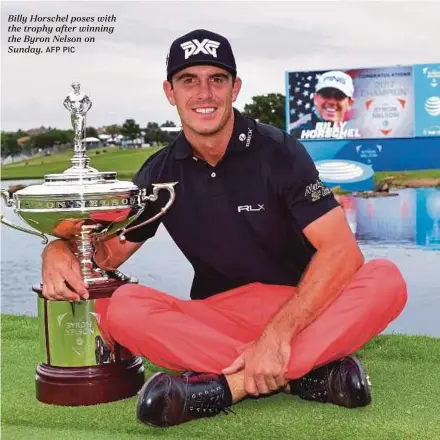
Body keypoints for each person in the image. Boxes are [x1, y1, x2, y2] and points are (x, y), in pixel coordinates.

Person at [41, 29, 407, 428]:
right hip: (220, 315)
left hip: (302, 308)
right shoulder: (161, 172)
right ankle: (306, 375)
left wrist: (276, 337)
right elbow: (106, 255)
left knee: (386, 279)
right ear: (170, 91)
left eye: (217, 79)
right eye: (188, 80)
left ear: (235, 88)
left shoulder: (280, 152)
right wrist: (57, 248)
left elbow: (342, 253)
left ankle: (226, 387)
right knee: (122, 307)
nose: (204, 93)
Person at [289, 70, 355, 137]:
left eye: (339, 96)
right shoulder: (298, 135)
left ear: (350, 103)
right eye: (326, 94)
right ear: (315, 99)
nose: (331, 102)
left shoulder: (358, 136)